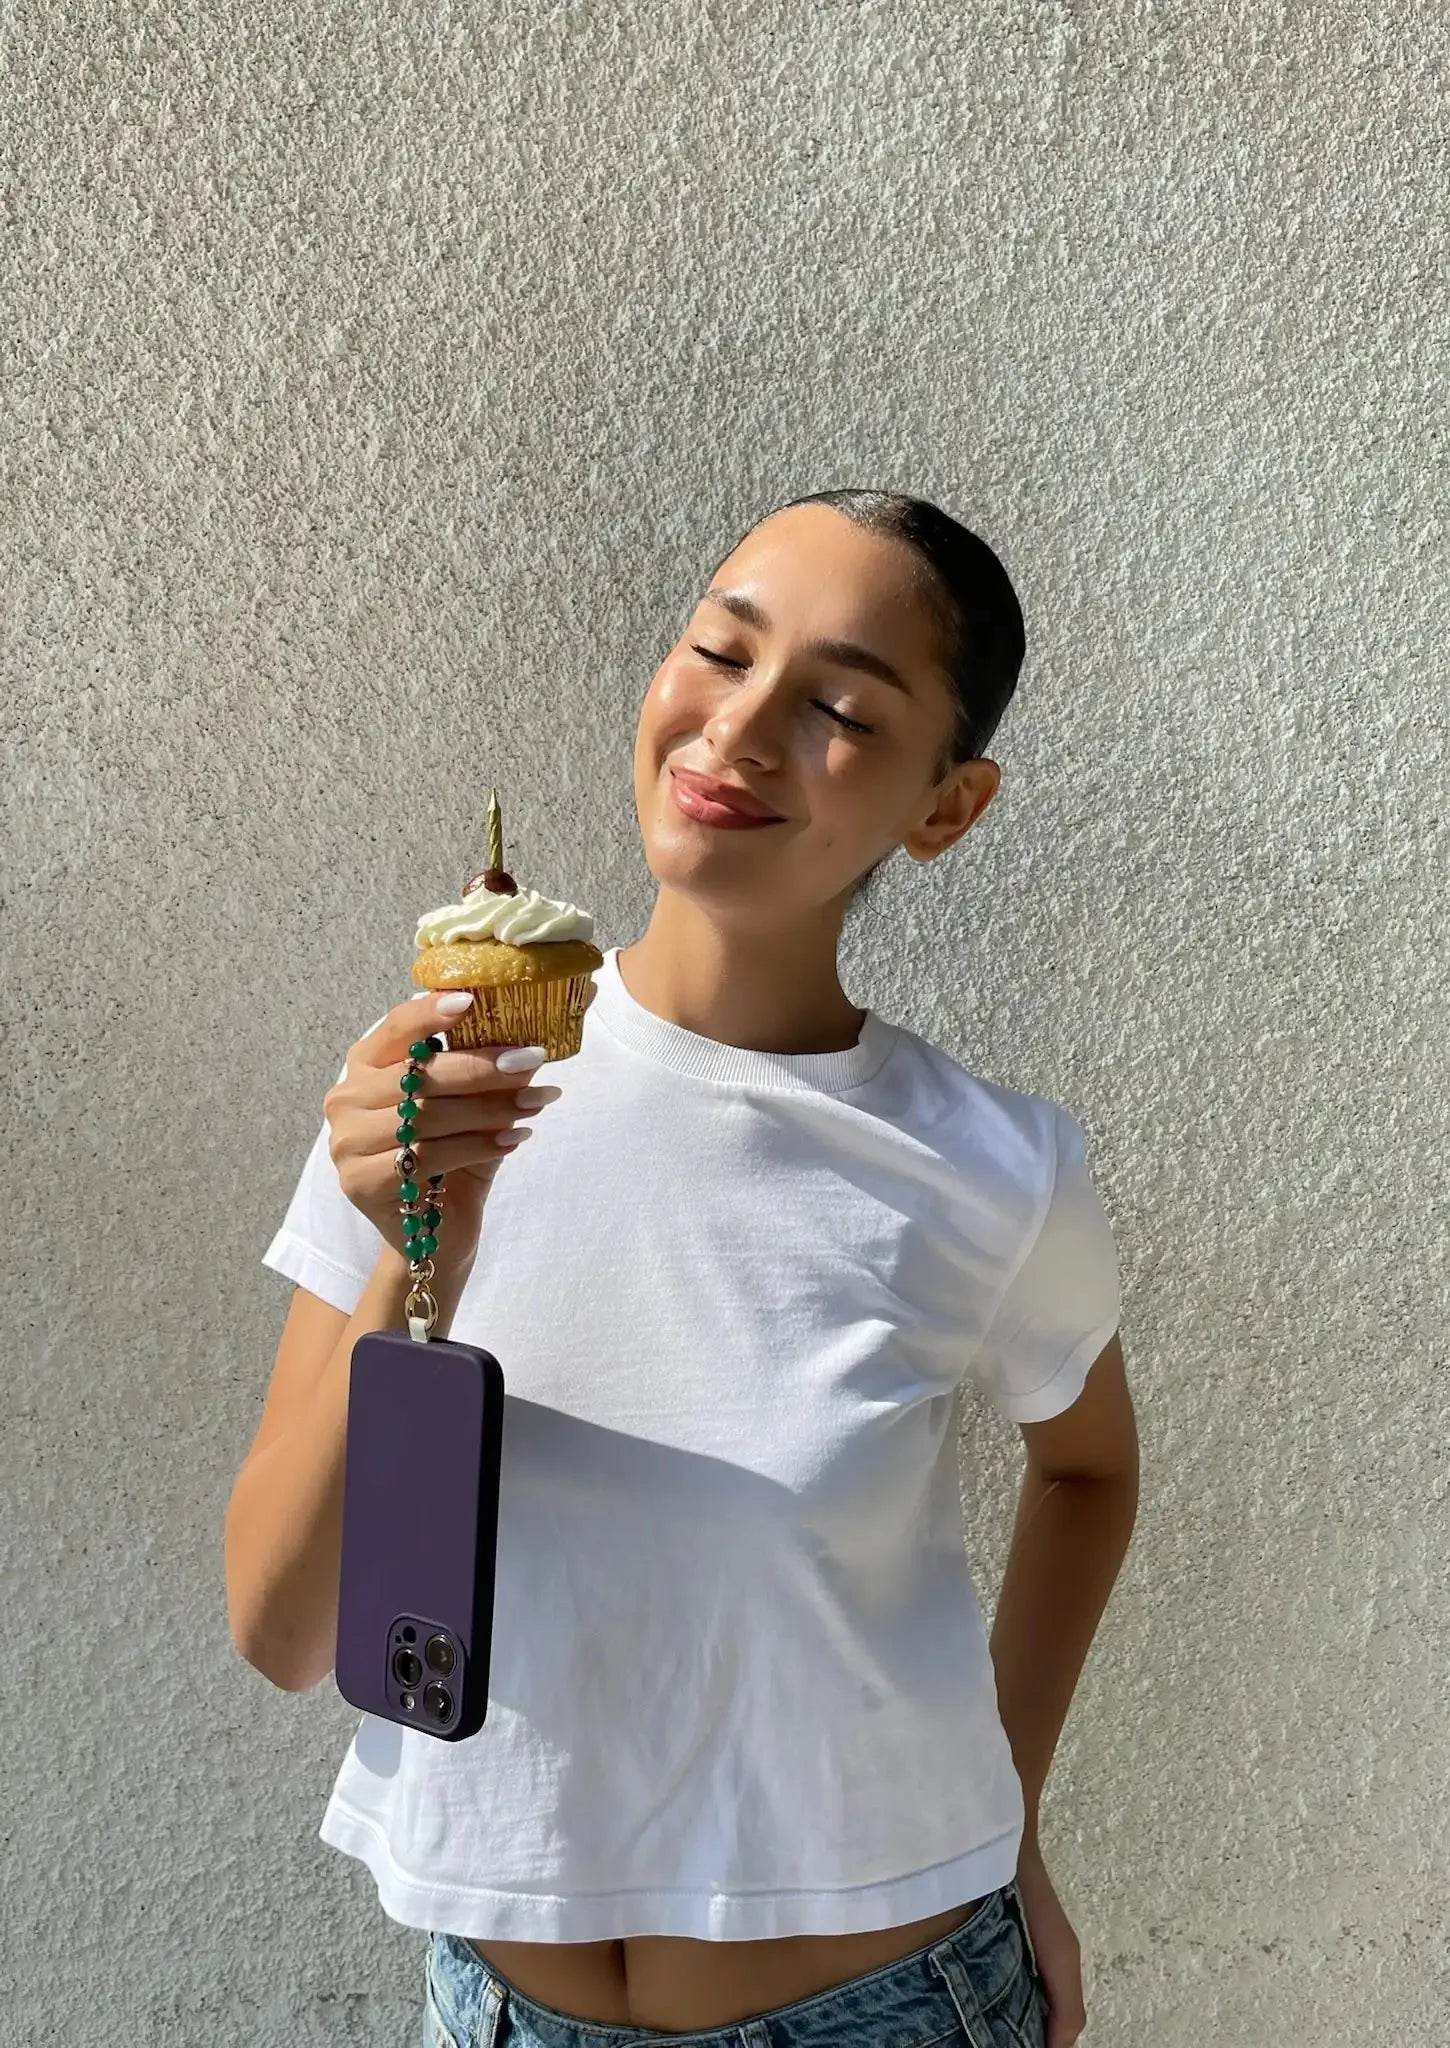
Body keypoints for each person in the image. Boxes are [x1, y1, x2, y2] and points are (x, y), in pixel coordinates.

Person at [226, 490, 1140, 2048]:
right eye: (718, 650)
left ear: (948, 805)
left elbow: (1089, 1472)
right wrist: (409, 1245)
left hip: (893, 2003)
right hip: (503, 2009)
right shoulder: (422, 1090)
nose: (741, 728)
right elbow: (285, 1630)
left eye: (841, 706)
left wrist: (1010, 1812)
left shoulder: (989, 1165)